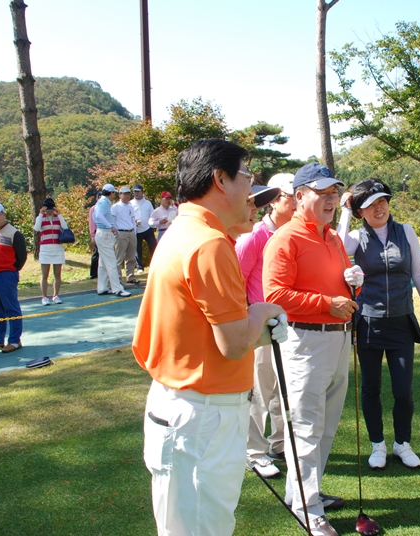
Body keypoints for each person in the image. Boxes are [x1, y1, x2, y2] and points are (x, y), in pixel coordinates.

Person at [132, 139, 287, 536]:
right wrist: (262, 311)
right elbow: (234, 344)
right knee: (206, 527)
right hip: (203, 414)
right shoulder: (209, 243)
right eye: (246, 176)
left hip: (186, 407)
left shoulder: (185, 229)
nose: (251, 189)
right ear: (220, 179)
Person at [262, 162, 361, 536]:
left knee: (326, 426)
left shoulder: (332, 236)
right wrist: (326, 303)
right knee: (305, 426)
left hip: (337, 337)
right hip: (305, 341)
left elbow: (343, 287)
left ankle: (305, 491)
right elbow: (275, 295)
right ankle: (308, 508)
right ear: (300, 196)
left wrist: (354, 282)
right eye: (322, 193)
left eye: (334, 193)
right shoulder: (285, 239)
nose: (331, 199)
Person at [337, 178, 420, 470]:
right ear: (361, 211)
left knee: (403, 391)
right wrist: (345, 210)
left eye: (382, 201)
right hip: (369, 322)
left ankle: (402, 443)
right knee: (371, 389)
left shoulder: (406, 232)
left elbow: (418, 272)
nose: (378, 208)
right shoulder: (355, 237)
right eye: (370, 205)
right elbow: (338, 246)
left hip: (401, 322)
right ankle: (377, 444)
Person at [235, 173, 296, 479]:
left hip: (288, 325)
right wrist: (253, 319)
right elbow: (237, 282)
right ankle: (254, 452)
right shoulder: (255, 236)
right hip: (261, 329)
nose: (296, 202)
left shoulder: (294, 234)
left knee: (285, 389)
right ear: (274, 201)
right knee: (260, 390)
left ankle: (279, 443)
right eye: (290, 197)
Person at [0, 202, 28, 354]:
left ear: (3, 214)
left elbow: (21, 256)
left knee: (11, 307)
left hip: (6, 274)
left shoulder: (14, 233)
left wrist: (12, 270)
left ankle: (15, 340)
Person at [92, 184, 131, 297]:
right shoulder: (104, 202)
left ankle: (102, 287)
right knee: (112, 263)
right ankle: (117, 289)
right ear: (111, 193)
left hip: (102, 233)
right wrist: (111, 226)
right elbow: (98, 215)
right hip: (104, 233)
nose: (114, 195)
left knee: (103, 264)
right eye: (113, 192)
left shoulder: (101, 201)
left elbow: (95, 215)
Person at [33, 197, 69, 305]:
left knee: (57, 274)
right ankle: (44, 297)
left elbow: (65, 227)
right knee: (45, 274)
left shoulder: (57, 217)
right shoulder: (41, 218)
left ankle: (56, 295)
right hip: (45, 248)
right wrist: (40, 214)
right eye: (47, 209)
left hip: (57, 247)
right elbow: (36, 228)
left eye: (51, 209)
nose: (49, 211)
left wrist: (59, 214)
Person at [112, 186, 139, 284]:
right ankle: (118, 279)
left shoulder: (130, 206)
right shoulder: (115, 207)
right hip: (121, 232)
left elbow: (132, 220)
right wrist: (117, 233)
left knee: (131, 257)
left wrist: (134, 232)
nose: (127, 196)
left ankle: (130, 276)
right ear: (120, 195)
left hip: (131, 232)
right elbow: (113, 221)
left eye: (128, 194)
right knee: (119, 257)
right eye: (125, 194)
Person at [131, 184, 157, 273]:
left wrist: (153, 226)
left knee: (153, 247)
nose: (136, 193)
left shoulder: (147, 203)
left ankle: (155, 264)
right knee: (137, 249)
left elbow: (152, 215)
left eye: (138, 191)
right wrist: (134, 222)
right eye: (135, 192)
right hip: (136, 230)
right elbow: (129, 216)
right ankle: (140, 268)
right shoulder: (131, 203)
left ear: (142, 192)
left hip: (147, 228)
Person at [88, 193, 100, 279]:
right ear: (96, 198)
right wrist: (92, 235)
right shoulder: (93, 209)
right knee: (96, 253)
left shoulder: (107, 208)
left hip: (105, 232)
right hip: (96, 232)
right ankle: (94, 273)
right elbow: (92, 223)